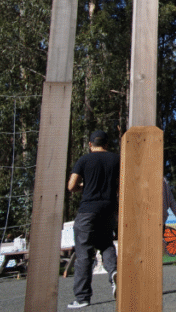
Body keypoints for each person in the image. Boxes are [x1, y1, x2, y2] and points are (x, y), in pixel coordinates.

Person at [66, 129, 120, 309]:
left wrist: (86, 185)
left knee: (84, 254)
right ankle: (114, 273)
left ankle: (82, 297)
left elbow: (72, 185)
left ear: (90, 144)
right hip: (109, 208)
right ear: (106, 144)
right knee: (106, 244)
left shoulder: (84, 160)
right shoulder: (116, 159)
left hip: (88, 210)